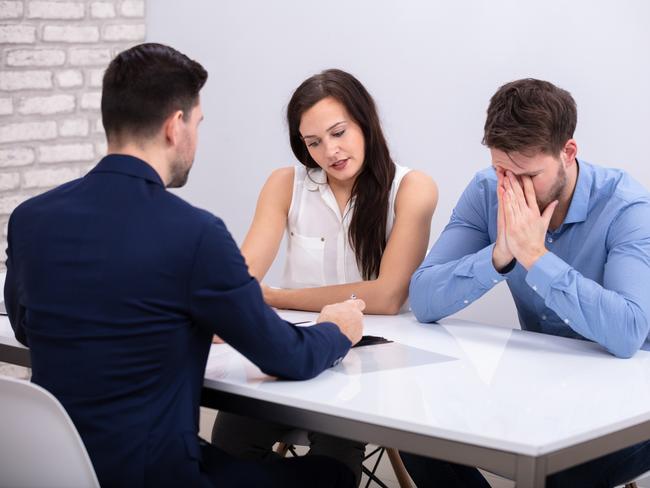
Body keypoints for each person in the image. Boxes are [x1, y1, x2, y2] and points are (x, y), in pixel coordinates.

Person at [3, 43, 366, 488]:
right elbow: (286, 356)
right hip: (158, 473)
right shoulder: (195, 234)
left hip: (57, 467)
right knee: (329, 475)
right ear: (175, 126)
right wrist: (336, 328)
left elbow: (27, 327)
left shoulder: (30, 219)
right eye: (197, 123)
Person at [403, 78, 650, 487]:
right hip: (544, 384)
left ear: (567, 153)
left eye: (528, 175)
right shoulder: (486, 190)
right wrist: (498, 257)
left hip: (633, 397)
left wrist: (537, 258)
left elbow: (627, 333)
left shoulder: (627, 207)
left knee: (557, 474)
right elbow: (424, 298)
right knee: (415, 430)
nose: (512, 187)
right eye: (503, 170)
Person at [211, 69, 438, 484]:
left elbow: (387, 296)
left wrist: (275, 298)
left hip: (374, 363)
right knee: (229, 442)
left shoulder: (412, 188)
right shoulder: (286, 183)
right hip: (296, 350)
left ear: (365, 122)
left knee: (334, 463)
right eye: (313, 142)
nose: (329, 151)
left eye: (338, 133)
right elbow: (241, 276)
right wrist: (227, 308)